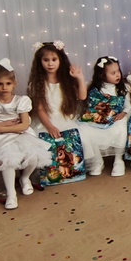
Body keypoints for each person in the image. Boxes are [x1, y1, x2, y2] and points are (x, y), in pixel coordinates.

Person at [0, 60, 51, 209]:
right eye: (0, 84)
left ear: (14, 84)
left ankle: (25, 178)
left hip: (19, 134)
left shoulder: (21, 101)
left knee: (33, 156)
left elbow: (24, 125)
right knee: (8, 159)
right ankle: (11, 194)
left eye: (8, 83)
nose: (4, 87)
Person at [28, 41, 100, 172]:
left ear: (60, 60)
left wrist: (79, 78)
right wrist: (50, 126)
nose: (50, 64)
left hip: (65, 119)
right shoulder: (37, 83)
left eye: (54, 59)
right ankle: (55, 170)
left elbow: (82, 96)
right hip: (47, 121)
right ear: (40, 62)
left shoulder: (66, 80)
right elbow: (40, 109)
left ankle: (75, 167)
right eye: (46, 60)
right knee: (46, 143)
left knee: (80, 138)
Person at [79, 55, 131, 177]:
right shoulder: (93, 88)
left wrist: (123, 113)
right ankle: (97, 160)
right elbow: (87, 105)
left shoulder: (123, 89)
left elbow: (128, 106)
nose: (117, 75)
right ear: (102, 75)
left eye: (118, 71)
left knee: (121, 125)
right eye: (113, 73)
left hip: (115, 118)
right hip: (98, 119)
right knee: (84, 129)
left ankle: (118, 160)